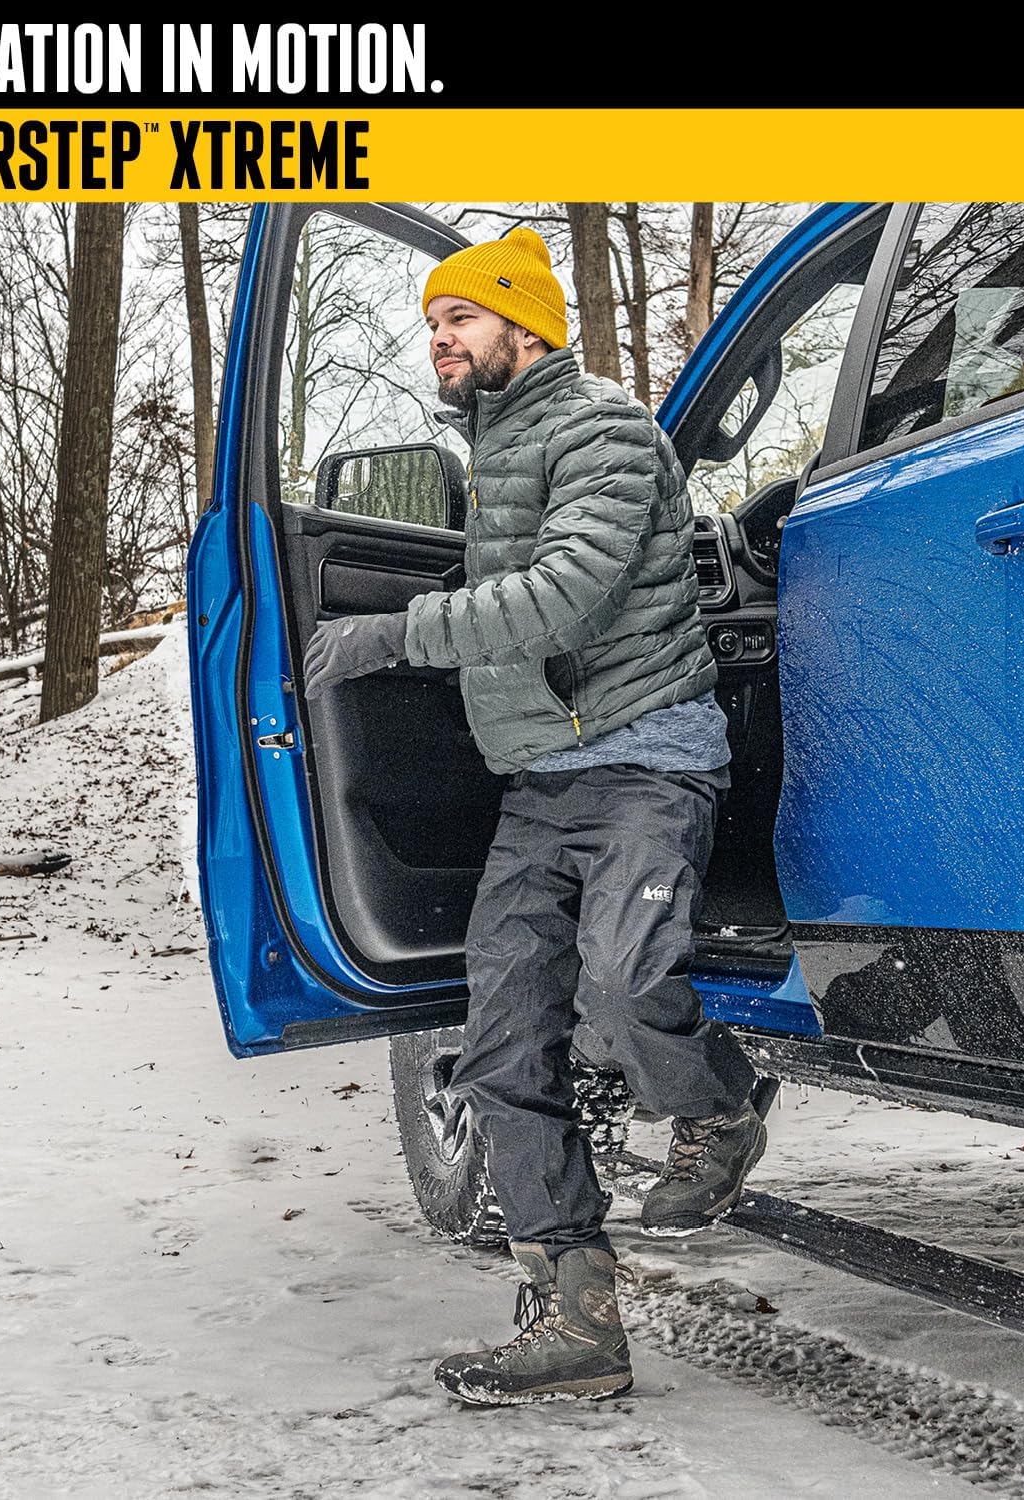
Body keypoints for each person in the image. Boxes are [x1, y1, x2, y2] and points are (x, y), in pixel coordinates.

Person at [302, 225, 768, 1406]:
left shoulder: (601, 426)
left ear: (527, 324)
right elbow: (514, 585)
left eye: (460, 318)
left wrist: (395, 633)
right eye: (432, 323)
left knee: (621, 980)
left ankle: (714, 1117)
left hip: (646, 763)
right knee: (502, 1050)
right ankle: (578, 1322)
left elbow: (563, 599)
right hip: (542, 788)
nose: (439, 339)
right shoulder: (499, 446)